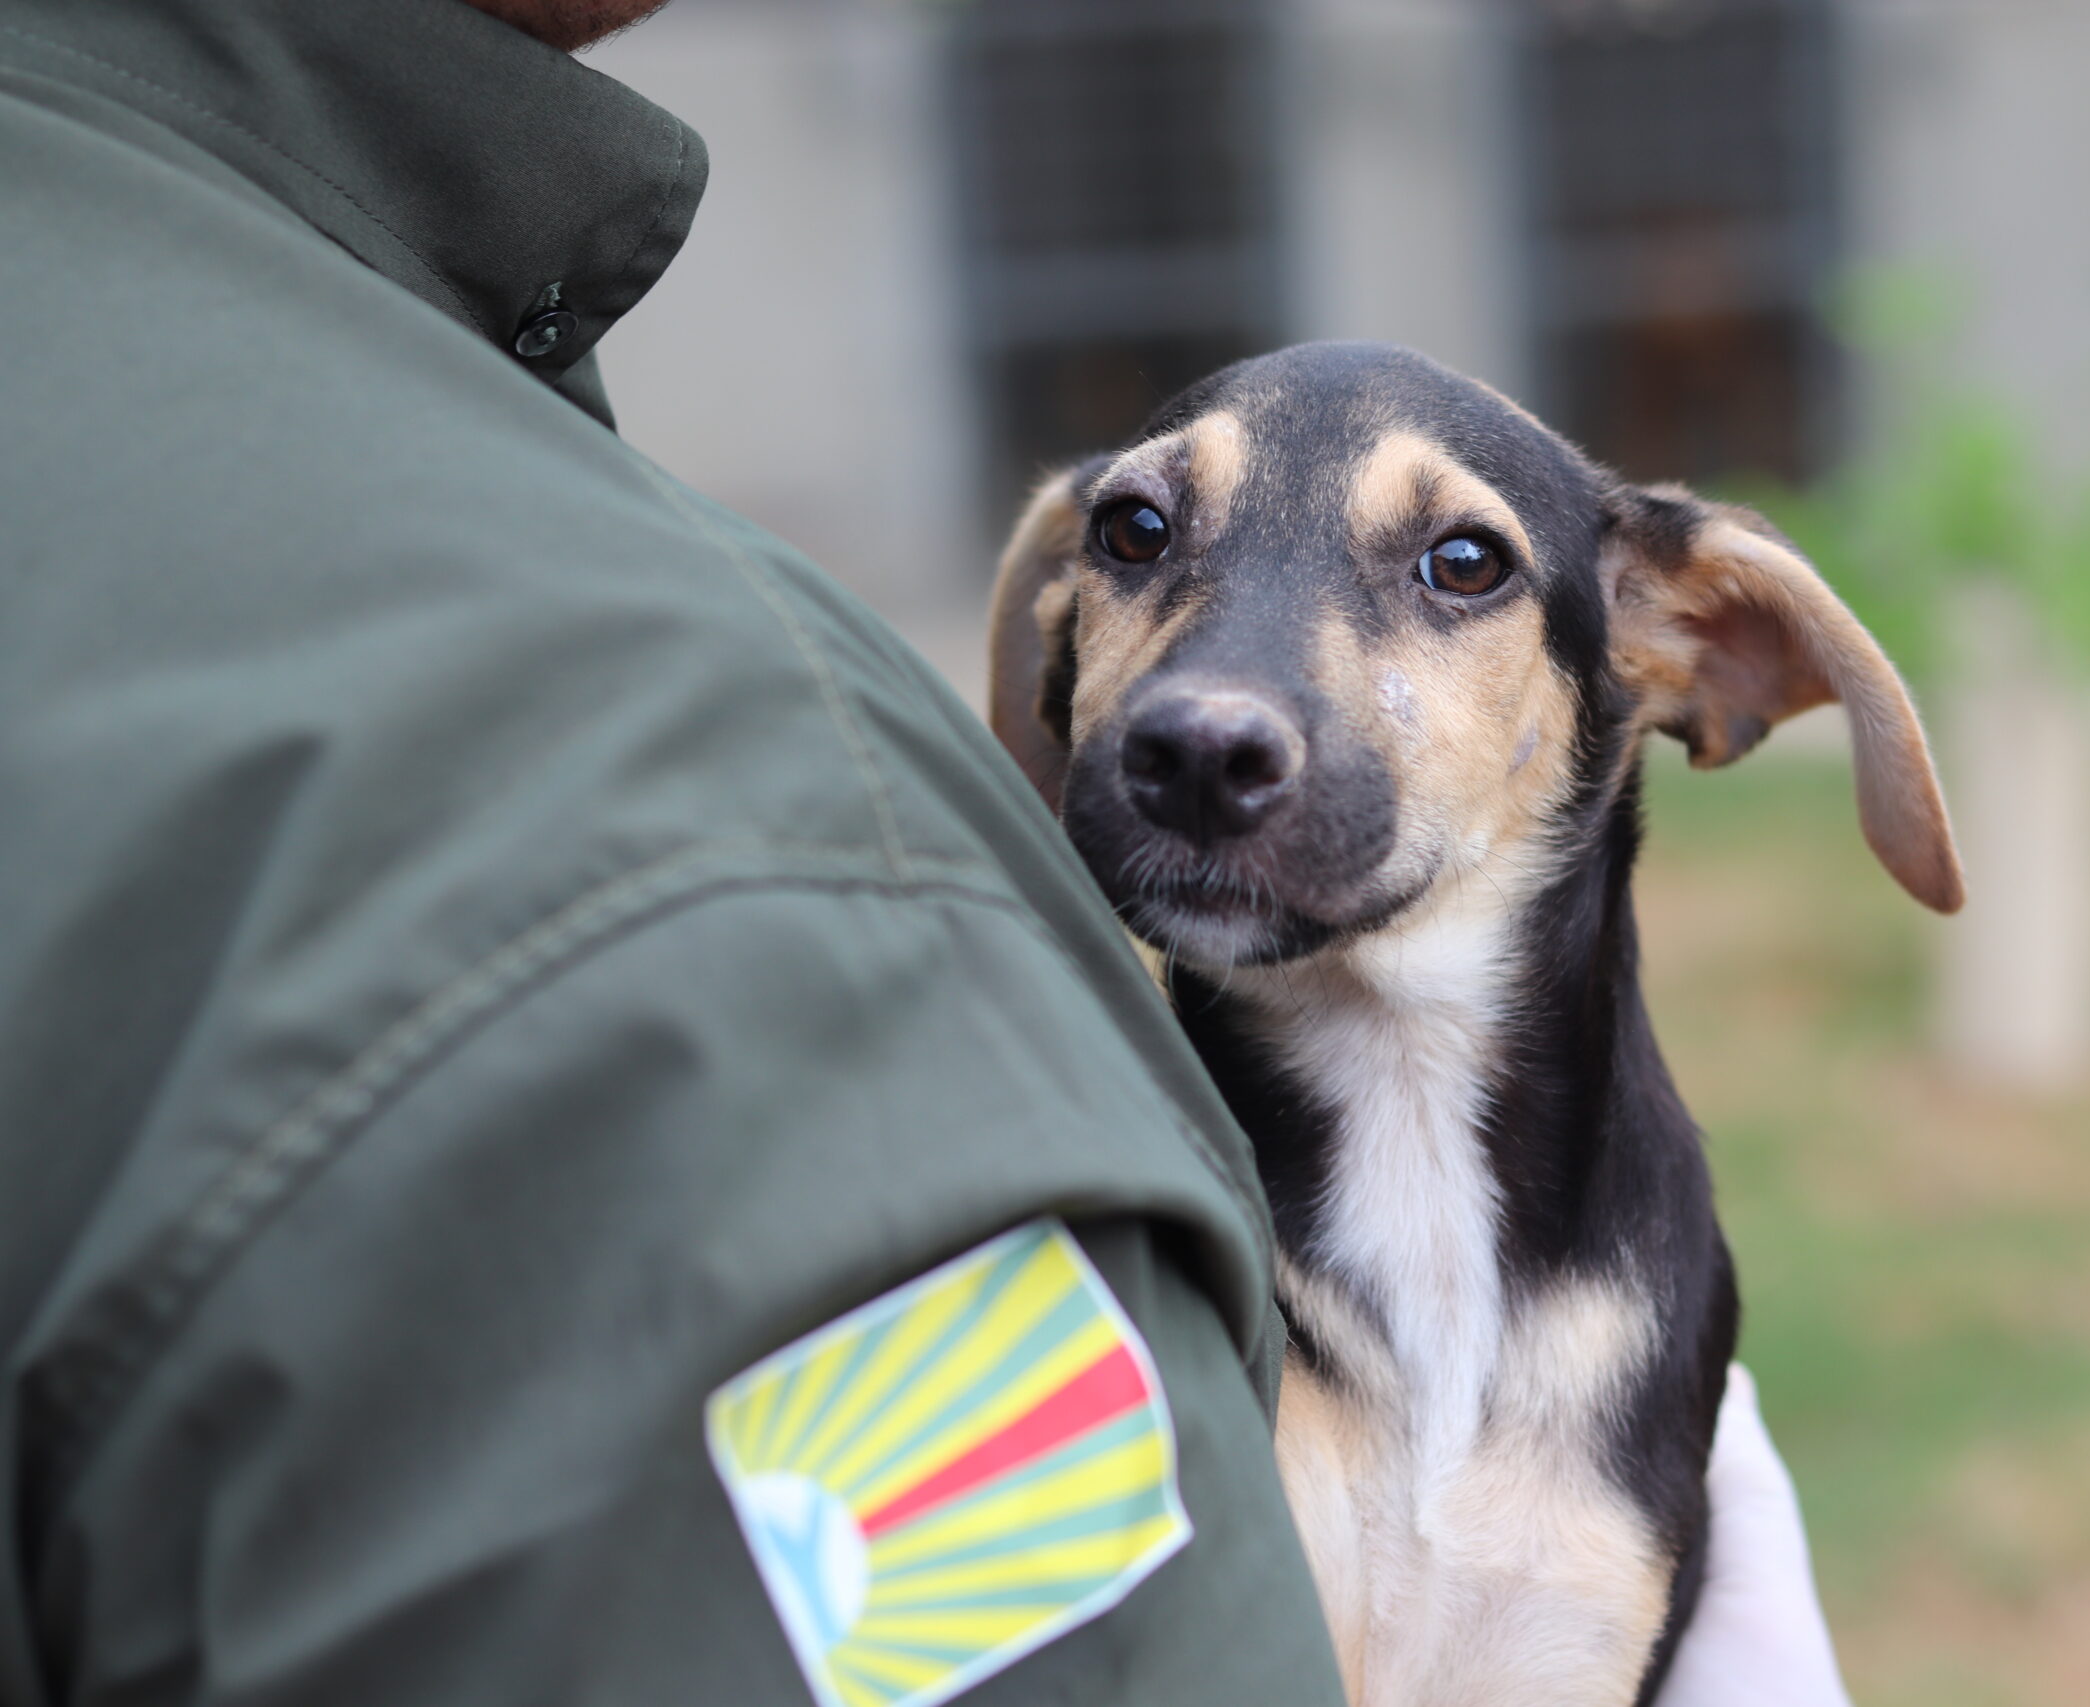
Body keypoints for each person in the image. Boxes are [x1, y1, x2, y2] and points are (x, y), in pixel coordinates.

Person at [0, 2, 1855, 1703]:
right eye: (1144, 540)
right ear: (1043, 652)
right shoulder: (1061, 1210)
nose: (1224, 706)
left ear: (1689, 662)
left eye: (1450, 569)